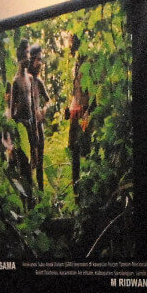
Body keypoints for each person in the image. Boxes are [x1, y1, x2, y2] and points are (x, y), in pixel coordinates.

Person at [8, 40, 55, 193]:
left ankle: (39, 193)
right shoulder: (19, 80)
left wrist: (43, 111)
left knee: (38, 161)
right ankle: (29, 196)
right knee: (26, 166)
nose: (38, 63)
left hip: (35, 124)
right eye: (36, 59)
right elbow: (13, 111)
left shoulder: (34, 81)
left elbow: (46, 102)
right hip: (25, 125)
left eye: (40, 59)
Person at [66, 33, 91, 203]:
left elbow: (92, 93)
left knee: (86, 153)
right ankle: (77, 197)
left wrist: (87, 112)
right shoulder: (76, 65)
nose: (69, 47)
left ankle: (88, 194)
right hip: (76, 115)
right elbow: (76, 93)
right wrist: (70, 108)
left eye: (71, 43)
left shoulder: (89, 63)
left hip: (86, 116)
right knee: (74, 152)